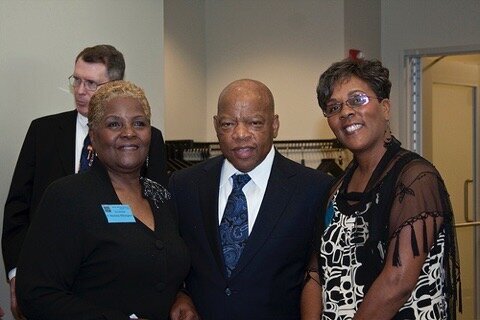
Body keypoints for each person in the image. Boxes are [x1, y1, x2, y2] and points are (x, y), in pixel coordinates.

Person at [2, 44, 167, 319]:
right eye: (76, 80)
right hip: (50, 280)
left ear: (115, 86)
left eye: (91, 83)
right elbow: (17, 207)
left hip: (115, 285)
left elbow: (159, 211)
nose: (80, 90)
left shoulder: (145, 138)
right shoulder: (42, 131)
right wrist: (18, 272)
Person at [301, 58, 460, 319]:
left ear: (385, 108)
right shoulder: (336, 189)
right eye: (333, 107)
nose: (345, 112)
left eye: (357, 100)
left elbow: (397, 282)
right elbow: (315, 274)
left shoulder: (415, 179)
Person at [168, 79, 333, 319]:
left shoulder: (314, 189)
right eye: (228, 123)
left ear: (274, 125)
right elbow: (171, 263)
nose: (241, 134)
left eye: (254, 123)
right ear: (216, 125)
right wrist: (180, 294)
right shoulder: (184, 185)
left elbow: (319, 275)